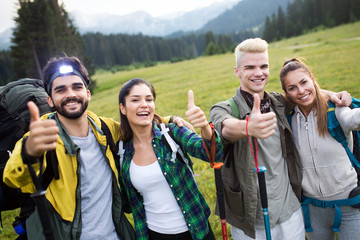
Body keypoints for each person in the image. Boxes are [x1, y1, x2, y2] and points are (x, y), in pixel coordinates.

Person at [2, 56, 189, 240]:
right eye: (61, 90)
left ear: (88, 94)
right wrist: (29, 153)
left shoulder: (105, 128)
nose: (71, 94)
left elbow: (135, 125)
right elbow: (14, 178)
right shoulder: (41, 138)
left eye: (77, 87)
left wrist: (168, 120)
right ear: (50, 100)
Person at [209, 38, 350, 240]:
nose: (258, 73)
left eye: (263, 66)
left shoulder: (279, 102)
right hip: (250, 221)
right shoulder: (224, 108)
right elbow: (225, 127)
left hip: (290, 212)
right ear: (237, 71)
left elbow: (304, 95)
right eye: (250, 67)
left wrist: (336, 95)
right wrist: (247, 127)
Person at [117, 78, 224, 240]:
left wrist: (204, 127)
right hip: (153, 234)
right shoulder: (122, 151)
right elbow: (128, 204)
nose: (144, 104)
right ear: (123, 108)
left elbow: (214, 155)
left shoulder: (172, 133)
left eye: (149, 99)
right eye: (135, 100)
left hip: (195, 230)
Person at [279, 58, 360, 240]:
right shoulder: (288, 119)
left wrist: (332, 96)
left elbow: (353, 118)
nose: (300, 91)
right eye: (292, 88)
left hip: (350, 206)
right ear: (286, 93)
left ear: (312, 79)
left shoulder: (335, 110)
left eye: (304, 82)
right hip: (313, 210)